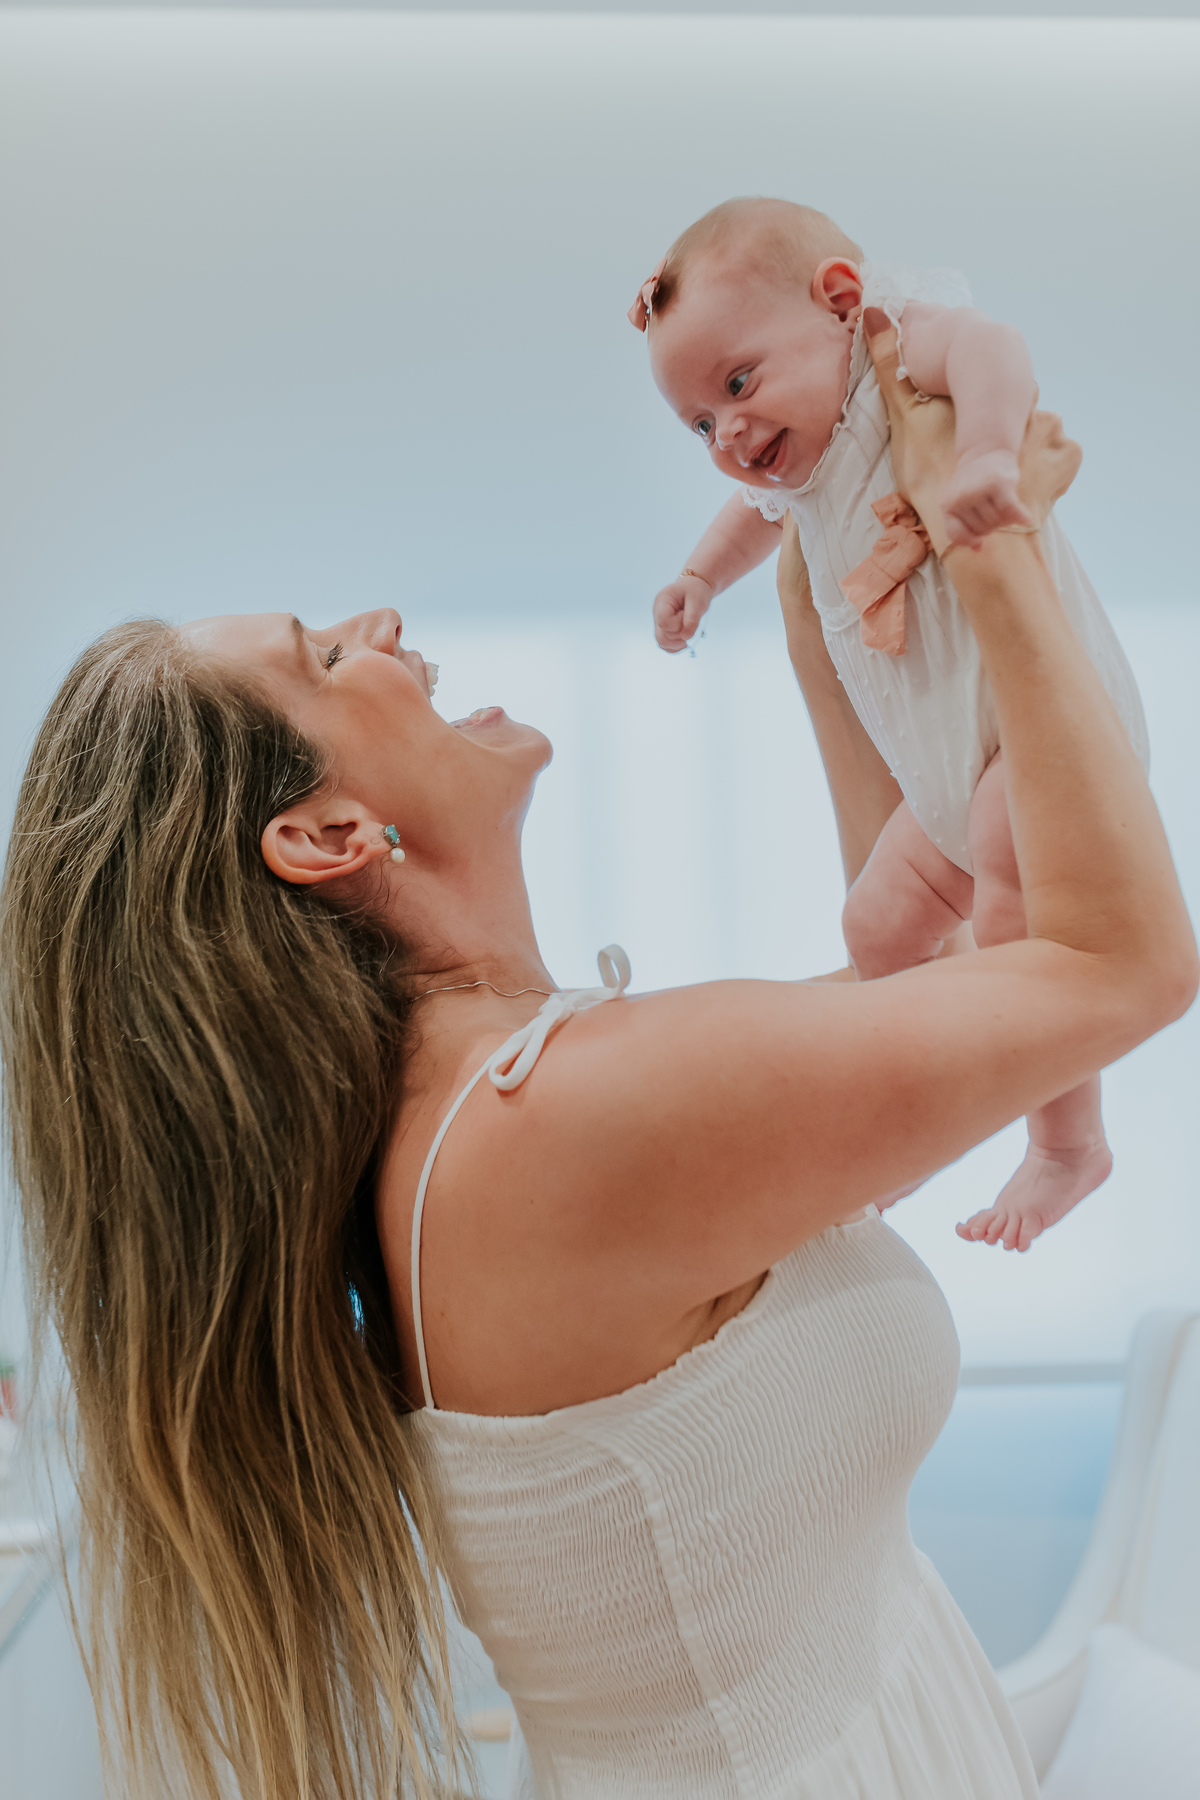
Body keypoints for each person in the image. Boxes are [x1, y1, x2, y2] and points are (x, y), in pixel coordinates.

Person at [1, 317, 1194, 1800]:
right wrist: (998, 533)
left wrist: (827, 593)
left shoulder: (499, 1117)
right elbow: (1115, 966)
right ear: (321, 838)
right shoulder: (557, 1123)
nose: (375, 622)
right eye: (321, 654)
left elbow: (926, 974)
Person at [633, 197, 1149, 1253]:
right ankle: (921, 1120)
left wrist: (989, 459)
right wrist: (696, 578)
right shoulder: (803, 473)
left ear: (839, 300)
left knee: (1014, 929)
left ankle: (1067, 1146)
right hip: (945, 775)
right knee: (877, 924)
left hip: (1038, 731)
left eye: (737, 384)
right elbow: (748, 521)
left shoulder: (901, 353)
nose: (727, 433)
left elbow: (999, 353)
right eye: (699, 424)